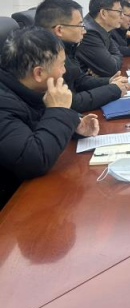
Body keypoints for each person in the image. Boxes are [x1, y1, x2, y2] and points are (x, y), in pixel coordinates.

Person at [0, 27, 99, 209]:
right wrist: (60, 110)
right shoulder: (3, 102)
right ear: (38, 73)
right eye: (61, 65)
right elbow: (32, 159)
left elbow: (38, 118)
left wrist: (75, 123)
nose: (64, 71)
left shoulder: (24, 87)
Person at [35, 0, 129, 113]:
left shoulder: (68, 47)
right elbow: (71, 102)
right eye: (80, 25)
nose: (84, 30)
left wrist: (109, 81)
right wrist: (114, 89)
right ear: (59, 30)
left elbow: (79, 80)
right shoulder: (47, 55)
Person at [76, 0, 124, 77]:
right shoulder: (88, 33)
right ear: (103, 13)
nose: (122, 16)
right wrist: (112, 59)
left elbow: (119, 54)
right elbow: (112, 68)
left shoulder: (102, 28)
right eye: (119, 11)